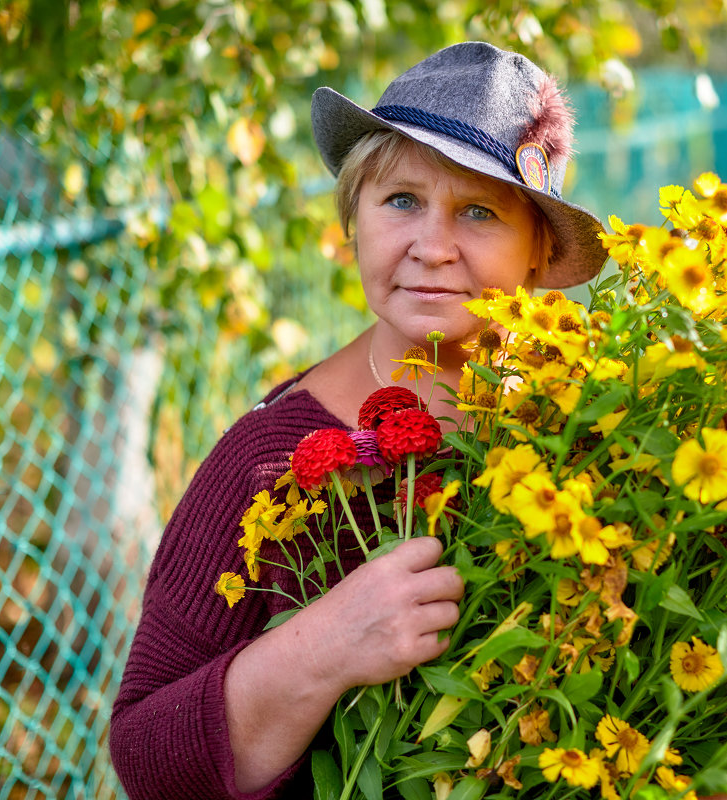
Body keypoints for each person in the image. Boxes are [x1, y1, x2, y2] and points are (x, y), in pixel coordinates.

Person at [109, 41, 606, 799]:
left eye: (478, 211)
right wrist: (327, 647)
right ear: (354, 218)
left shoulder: (590, 428)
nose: (432, 248)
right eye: (400, 200)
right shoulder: (270, 460)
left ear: (539, 250)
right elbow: (145, 755)